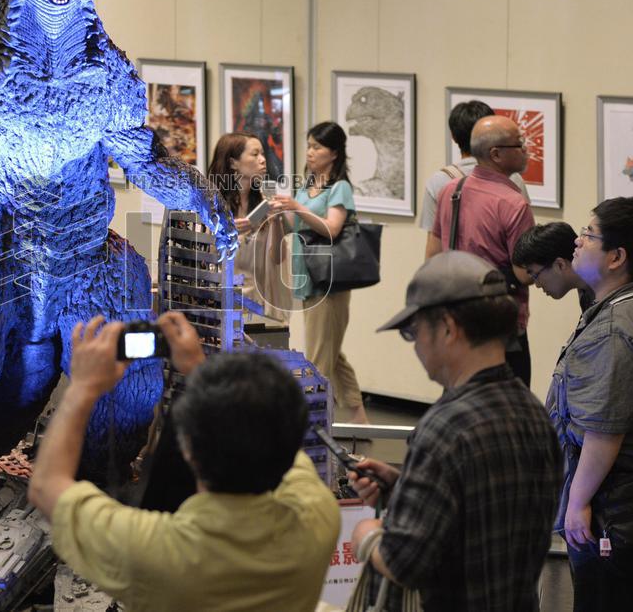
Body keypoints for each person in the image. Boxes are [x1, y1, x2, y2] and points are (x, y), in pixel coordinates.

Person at [27, 312, 339, 612]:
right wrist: (198, 368)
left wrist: (83, 386)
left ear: (187, 448)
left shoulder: (160, 553)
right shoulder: (317, 513)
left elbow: (45, 486)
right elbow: (269, 434)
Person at [348, 251, 562, 612]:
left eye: (413, 331)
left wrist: (365, 536)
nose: (415, 345)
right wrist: (406, 486)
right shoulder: (534, 413)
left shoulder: (445, 428)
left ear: (448, 328)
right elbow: (487, 511)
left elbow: (405, 562)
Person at [546, 197, 633, 611]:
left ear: (617, 256)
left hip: (615, 507)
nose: (576, 242)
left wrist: (577, 503)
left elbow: (604, 432)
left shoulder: (615, 327)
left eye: (588, 234)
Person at [272, 121, 368, 422]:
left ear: (334, 153)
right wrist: (278, 212)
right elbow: (296, 226)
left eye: (317, 147)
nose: (310, 153)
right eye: (309, 146)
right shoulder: (306, 186)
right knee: (330, 350)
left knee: (318, 359)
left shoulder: (339, 188)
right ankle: (359, 419)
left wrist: (296, 208)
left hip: (329, 280)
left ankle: (310, 427)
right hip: (307, 275)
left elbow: (331, 228)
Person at [429, 115, 535, 386]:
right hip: (501, 325)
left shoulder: (451, 191)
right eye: (519, 144)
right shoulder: (513, 203)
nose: (526, 150)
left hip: (458, 317)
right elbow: (524, 273)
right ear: (496, 154)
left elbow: (433, 256)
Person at [419, 100, 529, 244]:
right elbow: (524, 244)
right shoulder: (512, 178)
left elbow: (434, 246)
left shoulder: (439, 182)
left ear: (453, 136)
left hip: (456, 265)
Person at [207, 132, 288, 321]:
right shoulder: (210, 203)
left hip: (261, 304)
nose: (263, 160)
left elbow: (278, 257)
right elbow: (199, 256)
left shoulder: (264, 200)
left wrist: (276, 222)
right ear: (233, 163)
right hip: (223, 304)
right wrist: (224, 234)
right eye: (255, 154)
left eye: (263, 154)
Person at [512, 221, 593, 311]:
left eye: (536, 275)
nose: (537, 285)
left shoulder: (602, 296)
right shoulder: (586, 289)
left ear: (560, 265)